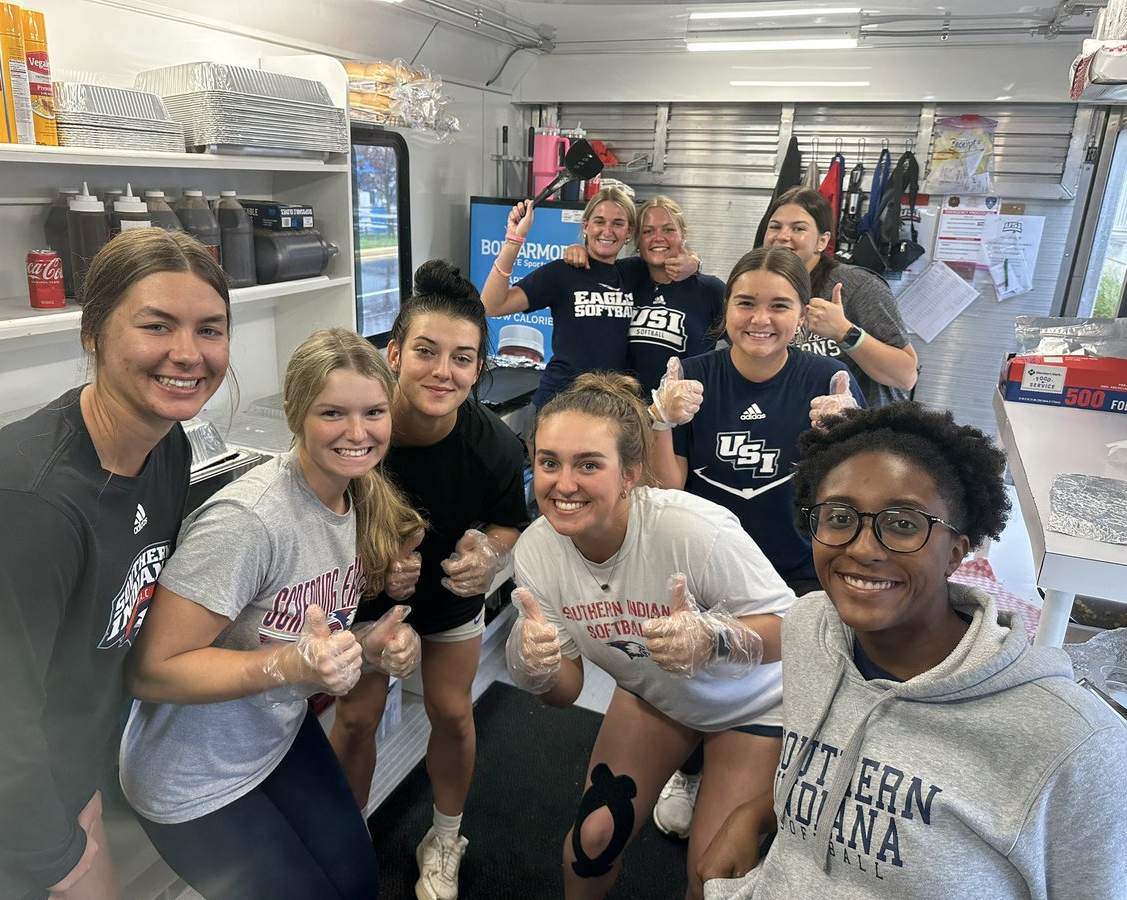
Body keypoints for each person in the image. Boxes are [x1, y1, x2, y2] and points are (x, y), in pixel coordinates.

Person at [701, 401, 1127, 899]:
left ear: (956, 552)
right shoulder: (809, 628)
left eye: (904, 524)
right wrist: (756, 811)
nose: (863, 548)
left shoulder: (1074, 747)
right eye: (840, 517)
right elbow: (836, 766)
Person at [0, 228, 230, 900]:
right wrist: (62, 864)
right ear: (91, 334)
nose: (188, 353)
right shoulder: (24, 512)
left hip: (55, 776)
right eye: (157, 325)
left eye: (210, 329)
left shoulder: (167, 452)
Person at [119, 328, 425, 900]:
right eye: (333, 412)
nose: (357, 433)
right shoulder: (250, 521)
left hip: (274, 737)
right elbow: (150, 671)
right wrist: (293, 666)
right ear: (296, 412)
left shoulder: (354, 495)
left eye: (374, 413)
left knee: (359, 882)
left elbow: (295, 631)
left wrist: (367, 644)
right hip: (192, 779)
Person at [508, 372, 796, 900]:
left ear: (631, 475)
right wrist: (535, 666)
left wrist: (713, 640)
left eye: (588, 464)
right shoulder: (535, 552)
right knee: (592, 840)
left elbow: (797, 632)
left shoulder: (692, 530)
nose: (563, 484)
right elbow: (565, 693)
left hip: (753, 706)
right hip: (656, 696)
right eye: (549, 462)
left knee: (712, 879)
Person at [647, 245, 864, 840]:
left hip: (794, 568)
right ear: (727, 308)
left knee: (789, 685)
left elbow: (855, 497)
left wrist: (849, 439)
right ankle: (689, 770)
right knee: (695, 672)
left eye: (779, 305)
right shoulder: (689, 375)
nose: (760, 319)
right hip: (704, 569)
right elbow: (669, 486)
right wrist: (659, 421)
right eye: (746, 302)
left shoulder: (828, 381)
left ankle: (781, 781)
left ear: (801, 315)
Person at [328, 260, 529, 900]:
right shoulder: (357, 432)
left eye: (463, 358)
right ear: (393, 353)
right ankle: (346, 832)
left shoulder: (494, 446)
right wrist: (371, 564)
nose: (443, 371)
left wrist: (488, 556)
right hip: (362, 603)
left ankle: (445, 835)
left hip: (448, 600)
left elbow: (508, 523)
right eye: (426, 351)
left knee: (451, 711)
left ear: (478, 368)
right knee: (357, 717)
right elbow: (316, 514)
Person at [480, 186, 638, 414]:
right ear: (585, 226)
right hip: (558, 402)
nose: (607, 230)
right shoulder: (561, 273)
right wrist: (514, 240)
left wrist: (693, 261)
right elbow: (493, 305)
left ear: (629, 231)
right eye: (599, 221)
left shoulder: (633, 273)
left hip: (609, 407)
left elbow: (669, 261)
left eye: (618, 223)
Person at [761, 186, 917, 407]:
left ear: (822, 241)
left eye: (798, 228)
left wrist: (844, 332)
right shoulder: (764, 286)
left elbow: (906, 376)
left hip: (856, 433)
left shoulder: (857, 286)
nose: (783, 236)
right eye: (775, 227)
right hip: (795, 427)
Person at [563, 194, 724, 394]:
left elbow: (743, 346)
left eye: (668, 229)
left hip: (685, 416)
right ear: (638, 239)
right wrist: (578, 249)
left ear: (682, 234)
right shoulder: (624, 278)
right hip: (628, 414)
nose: (658, 237)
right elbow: (597, 264)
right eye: (648, 231)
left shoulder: (710, 290)